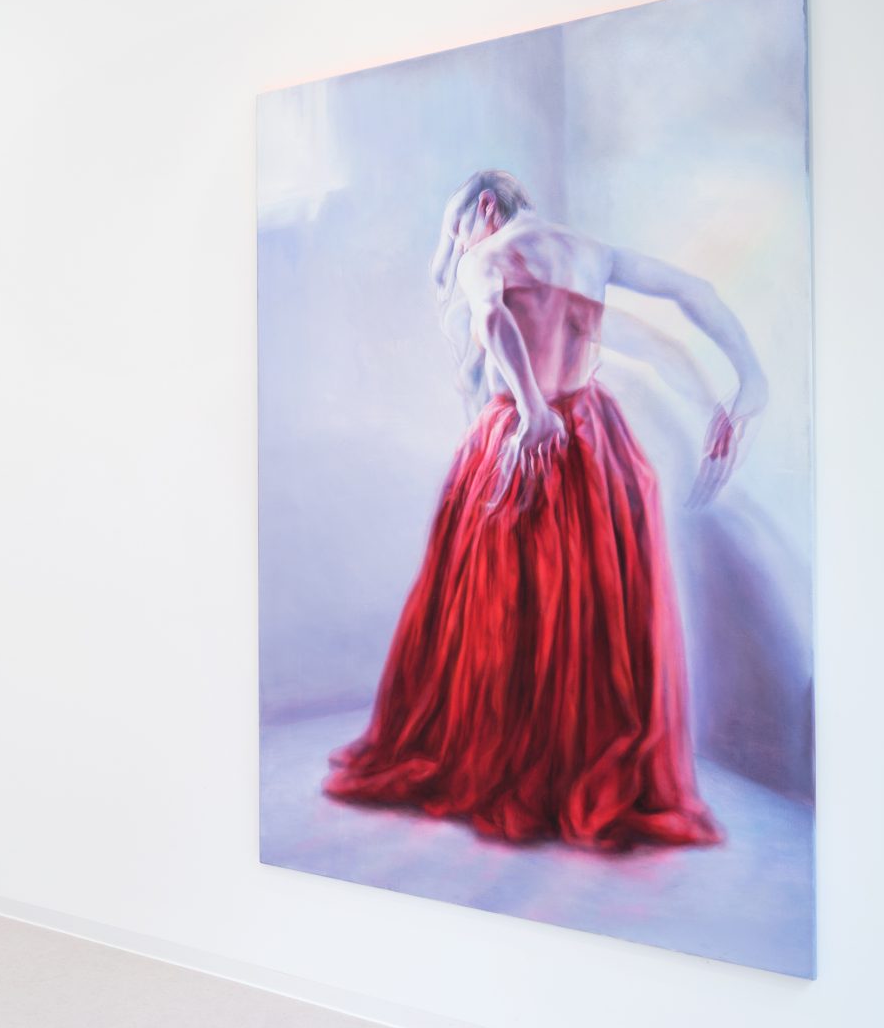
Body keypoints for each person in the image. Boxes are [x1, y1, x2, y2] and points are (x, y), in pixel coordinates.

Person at [324, 170, 768, 850]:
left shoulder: (486, 255)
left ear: (484, 206)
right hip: (595, 437)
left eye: (457, 230)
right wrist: (745, 380)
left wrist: (531, 409)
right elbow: (693, 293)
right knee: (586, 607)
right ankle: (573, 770)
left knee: (504, 604)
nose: (459, 245)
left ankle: (513, 761)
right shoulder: (593, 253)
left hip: (525, 433)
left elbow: (492, 317)